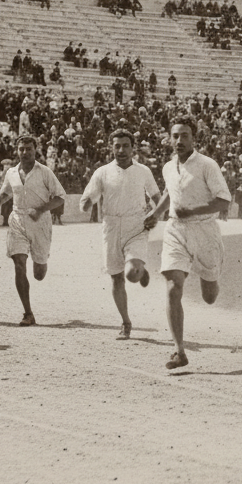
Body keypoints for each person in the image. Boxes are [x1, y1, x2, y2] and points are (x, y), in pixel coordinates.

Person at [147, 118, 231, 370]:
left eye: (185, 135)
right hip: (175, 229)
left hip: (205, 230)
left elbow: (224, 201)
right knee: (173, 285)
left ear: (194, 138)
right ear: (169, 138)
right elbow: (169, 193)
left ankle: (212, 279)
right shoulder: (167, 167)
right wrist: (155, 214)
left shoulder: (207, 165)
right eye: (175, 136)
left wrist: (192, 211)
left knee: (209, 296)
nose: (179, 141)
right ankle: (179, 351)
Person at [78, 129, 162, 339]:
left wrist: (155, 214)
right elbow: (87, 201)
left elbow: (157, 196)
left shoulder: (143, 171)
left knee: (131, 274)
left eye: (126, 146)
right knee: (117, 279)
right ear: (111, 148)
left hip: (136, 226)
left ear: (133, 148)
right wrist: (87, 203)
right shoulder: (102, 172)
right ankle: (125, 322)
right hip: (112, 227)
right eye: (117, 146)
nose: (121, 150)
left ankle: (138, 270)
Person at [0, 135, 67, 326]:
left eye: (28, 149)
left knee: (39, 273)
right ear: (17, 151)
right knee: (19, 263)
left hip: (40, 222)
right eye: (21, 149)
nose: (25, 153)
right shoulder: (11, 172)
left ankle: (42, 262)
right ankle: (28, 313)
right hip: (17, 220)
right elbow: (7, 192)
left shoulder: (45, 172)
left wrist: (40, 209)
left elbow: (60, 197)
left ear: (35, 150)